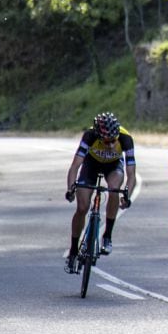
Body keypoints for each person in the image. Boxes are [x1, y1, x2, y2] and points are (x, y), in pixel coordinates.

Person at [64, 112, 135, 271]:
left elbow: (131, 173)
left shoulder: (125, 138)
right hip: (91, 165)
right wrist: (70, 189)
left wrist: (128, 195)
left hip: (113, 166)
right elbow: (75, 165)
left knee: (114, 190)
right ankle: (74, 250)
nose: (110, 145)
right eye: (107, 141)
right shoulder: (89, 135)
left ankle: (107, 235)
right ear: (99, 135)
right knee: (82, 208)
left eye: (113, 140)